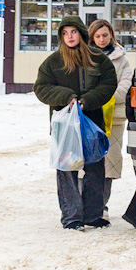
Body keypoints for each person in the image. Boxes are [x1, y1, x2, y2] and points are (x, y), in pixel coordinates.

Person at [34, 15, 117, 230]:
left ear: (80, 33)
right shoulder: (53, 62)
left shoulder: (98, 58)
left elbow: (109, 83)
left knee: (95, 168)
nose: (69, 37)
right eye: (64, 33)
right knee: (67, 170)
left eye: (73, 32)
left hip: (92, 123)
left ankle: (92, 215)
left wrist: (88, 100)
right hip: (65, 127)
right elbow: (41, 88)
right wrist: (66, 96)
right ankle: (71, 217)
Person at [88, 19, 136, 228]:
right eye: (97, 36)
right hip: (88, 116)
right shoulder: (85, 57)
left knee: (108, 164)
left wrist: (103, 95)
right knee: (86, 163)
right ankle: (85, 205)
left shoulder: (121, 59)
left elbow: (125, 84)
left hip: (112, 119)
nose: (102, 39)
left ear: (111, 35)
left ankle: (101, 206)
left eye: (105, 35)